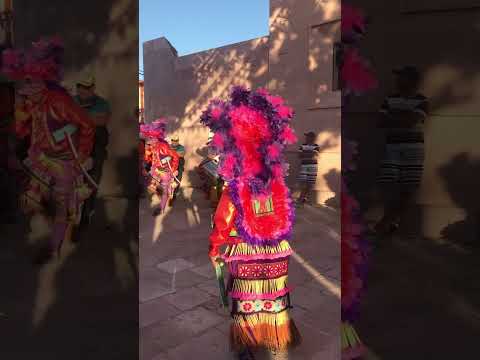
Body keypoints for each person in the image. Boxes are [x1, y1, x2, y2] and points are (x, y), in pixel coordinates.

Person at [201, 87, 301, 360]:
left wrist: (216, 248)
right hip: (274, 250)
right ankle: (275, 336)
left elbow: (224, 218)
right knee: (274, 296)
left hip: (249, 251)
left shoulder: (237, 184)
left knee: (247, 300)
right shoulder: (275, 180)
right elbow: (283, 215)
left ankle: (249, 342)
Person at [1, 37, 95, 264]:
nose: (24, 88)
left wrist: (80, 156)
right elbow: (24, 131)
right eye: (23, 82)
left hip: (63, 160)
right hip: (38, 158)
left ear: (42, 79)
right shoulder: (32, 102)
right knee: (30, 201)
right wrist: (21, 120)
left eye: (30, 81)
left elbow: (87, 125)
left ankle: (54, 249)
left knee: (62, 207)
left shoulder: (59, 101)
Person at [375, 66, 429, 237]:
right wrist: (403, 118)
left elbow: (411, 122)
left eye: (402, 77)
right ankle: (389, 221)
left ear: (412, 80)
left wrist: (395, 118)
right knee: (389, 186)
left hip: (413, 150)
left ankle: (389, 221)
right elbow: (381, 122)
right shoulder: (389, 99)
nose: (397, 81)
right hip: (392, 148)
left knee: (408, 188)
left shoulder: (422, 100)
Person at [74, 73, 111, 228]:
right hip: (74, 146)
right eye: (80, 86)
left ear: (93, 88)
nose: (83, 90)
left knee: (91, 181)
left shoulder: (102, 103)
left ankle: (86, 214)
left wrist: (76, 117)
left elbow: (101, 120)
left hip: (96, 148)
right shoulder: (71, 101)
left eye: (87, 87)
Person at [140, 119, 179, 216]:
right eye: (149, 137)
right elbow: (150, 159)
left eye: (152, 137)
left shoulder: (163, 146)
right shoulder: (151, 146)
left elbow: (175, 156)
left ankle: (162, 208)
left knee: (164, 190)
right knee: (151, 185)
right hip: (155, 170)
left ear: (157, 137)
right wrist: (145, 164)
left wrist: (173, 169)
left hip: (165, 171)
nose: (150, 139)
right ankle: (163, 192)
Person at [296, 131, 320, 206]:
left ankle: (304, 199)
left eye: (308, 136)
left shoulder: (316, 146)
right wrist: (309, 153)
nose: (306, 138)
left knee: (310, 184)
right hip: (304, 166)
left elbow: (314, 155)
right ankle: (301, 199)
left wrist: (305, 154)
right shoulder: (302, 145)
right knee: (303, 183)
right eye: (306, 136)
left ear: (312, 138)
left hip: (313, 167)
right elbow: (299, 155)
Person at [169, 134, 185, 205]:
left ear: (178, 141)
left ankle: (174, 194)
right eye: (173, 140)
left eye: (176, 140)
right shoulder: (168, 146)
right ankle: (167, 193)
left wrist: (171, 153)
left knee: (178, 180)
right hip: (169, 165)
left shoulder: (181, 147)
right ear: (171, 140)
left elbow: (181, 154)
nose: (174, 142)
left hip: (179, 166)